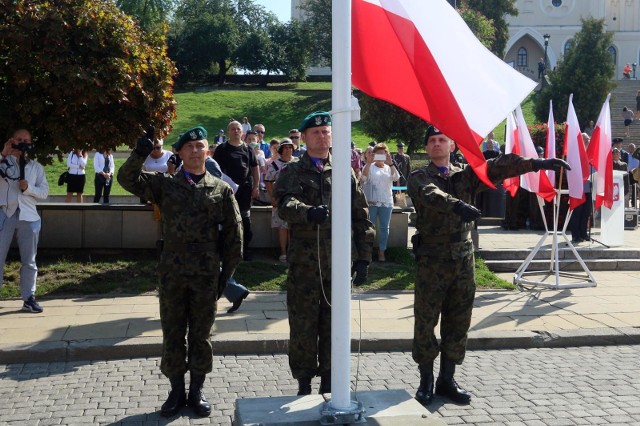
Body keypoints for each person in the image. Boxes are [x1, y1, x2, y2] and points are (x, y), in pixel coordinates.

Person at [407, 125, 568, 406]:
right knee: (425, 321)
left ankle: (447, 379)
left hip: (462, 256)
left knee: (459, 320)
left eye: (442, 140)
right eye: (431, 140)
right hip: (432, 258)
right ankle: (426, 380)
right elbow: (428, 193)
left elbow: (496, 167)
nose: (436, 144)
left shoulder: (466, 174)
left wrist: (536, 164)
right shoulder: (419, 175)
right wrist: (456, 204)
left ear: (452, 146)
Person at [118, 125, 243, 418]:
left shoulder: (221, 189)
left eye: (201, 146)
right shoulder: (165, 185)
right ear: (180, 153)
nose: (196, 151)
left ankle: (196, 390)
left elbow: (234, 236)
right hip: (173, 274)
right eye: (190, 147)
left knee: (201, 335)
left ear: (208, 151)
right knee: (173, 334)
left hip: (205, 275)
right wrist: (140, 152)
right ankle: (176, 391)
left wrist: (226, 274)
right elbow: (127, 179)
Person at [273, 111, 374, 395]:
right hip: (305, 261)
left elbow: (360, 214)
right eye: (315, 132)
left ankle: (330, 382)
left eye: (326, 132)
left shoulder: (344, 170)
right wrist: (307, 213)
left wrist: (364, 256)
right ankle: (304, 383)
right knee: (303, 323)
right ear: (303, 138)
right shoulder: (292, 171)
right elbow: (284, 203)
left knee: (334, 324)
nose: (322, 136)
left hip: (338, 260)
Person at [0, 129, 49, 313]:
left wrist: (28, 188)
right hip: (5, 213)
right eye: (18, 140)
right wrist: (4, 153)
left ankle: (29, 297)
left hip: (29, 216)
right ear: (12, 140)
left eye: (25, 140)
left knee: (29, 260)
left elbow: (44, 192)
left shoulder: (35, 167)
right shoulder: (3, 162)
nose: (21, 143)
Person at [214, 120, 260, 261]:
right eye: (232, 129)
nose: (235, 131)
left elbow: (254, 168)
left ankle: (244, 251)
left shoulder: (248, 149)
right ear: (228, 132)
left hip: (245, 191)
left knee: (245, 221)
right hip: (226, 191)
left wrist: (256, 186)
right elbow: (215, 170)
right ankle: (223, 251)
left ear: (242, 132)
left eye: (238, 129)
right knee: (225, 221)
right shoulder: (222, 149)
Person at [361, 143, 399, 262]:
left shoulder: (389, 167)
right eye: (378, 154)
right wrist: (368, 162)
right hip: (372, 201)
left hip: (386, 201)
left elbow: (396, 177)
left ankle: (382, 251)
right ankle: (368, 252)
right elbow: (363, 179)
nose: (381, 156)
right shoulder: (370, 166)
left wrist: (391, 163)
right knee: (370, 227)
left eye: (383, 153)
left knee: (384, 227)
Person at [265, 139, 298, 263]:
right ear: (281, 150)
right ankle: (283, 252)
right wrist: (272, 198)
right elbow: (268, 180)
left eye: (290, 147)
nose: (288, 150)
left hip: (296, 199)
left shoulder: (297, 162)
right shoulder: (274, 164)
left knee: (293, 226)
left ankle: (293, 251)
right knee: (282, 226)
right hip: (280, 199)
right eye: (285, 148)